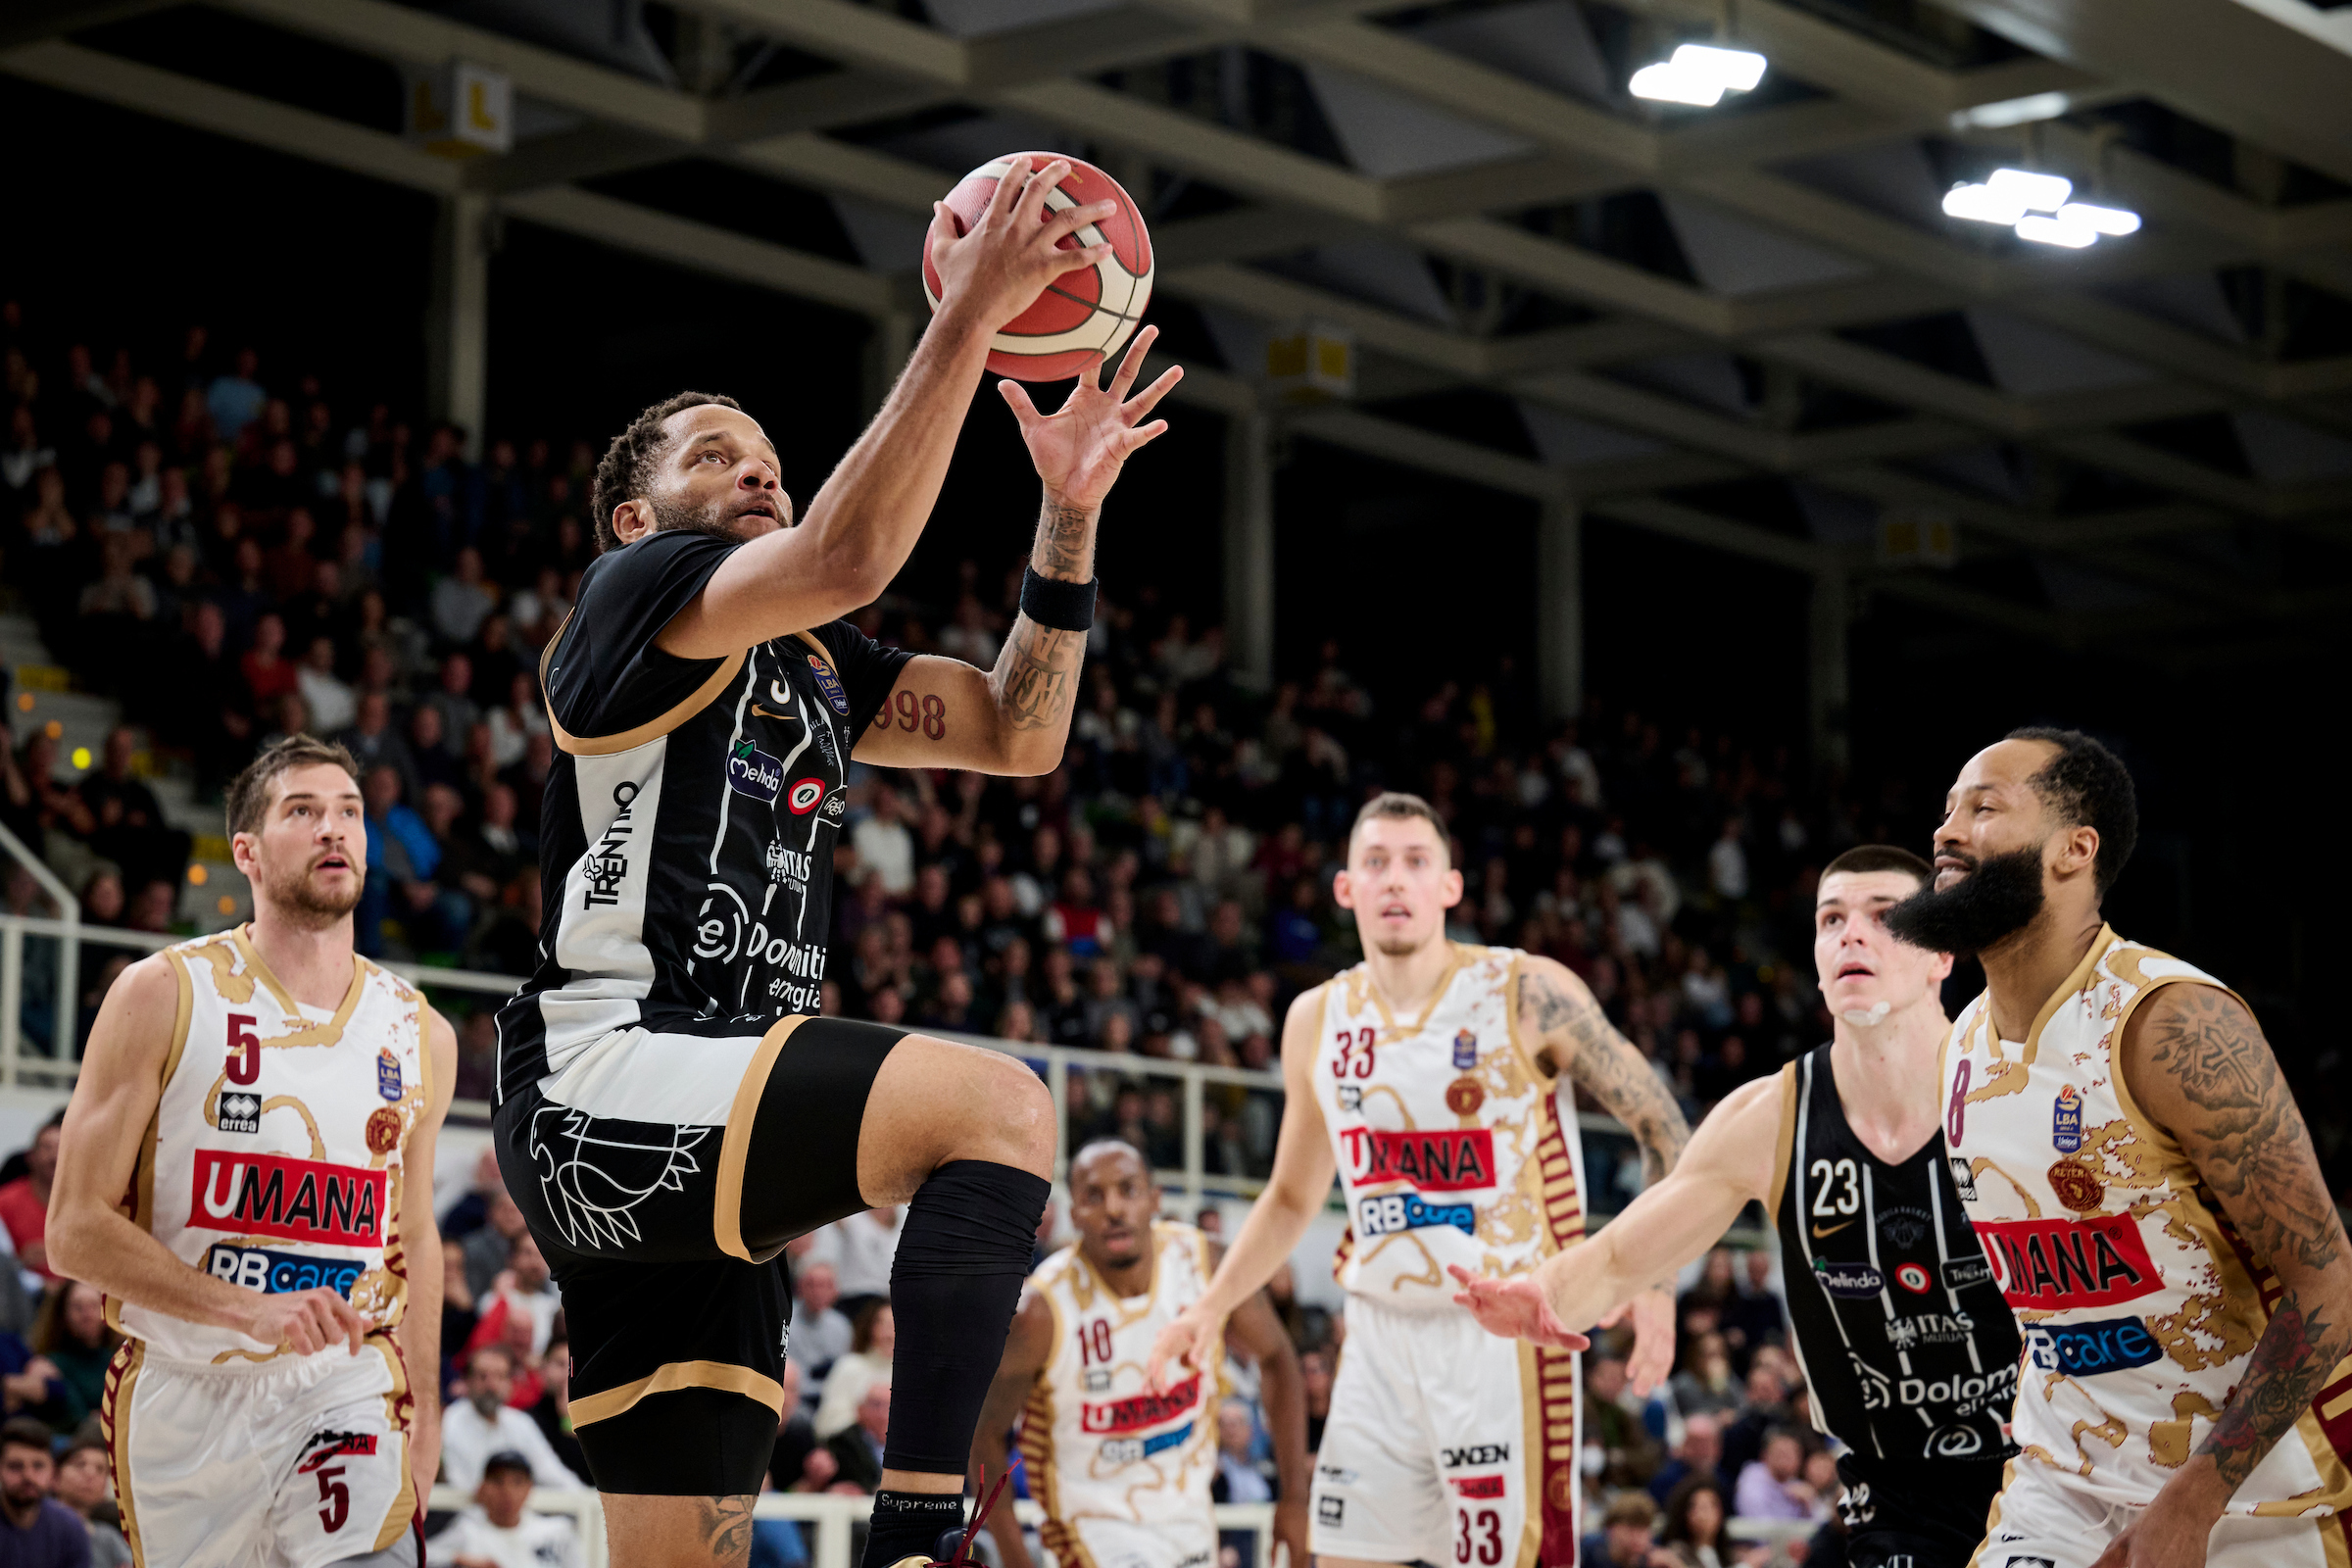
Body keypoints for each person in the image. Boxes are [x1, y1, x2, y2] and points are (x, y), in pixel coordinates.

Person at [488, 155, 1182, 1568]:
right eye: (715, 458)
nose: (757, 469)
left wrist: (1069, 516)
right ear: (638, 519)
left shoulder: (811, 661)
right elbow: (850, 547)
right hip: (608, 1069)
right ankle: (919, 1531)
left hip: (699, 1115)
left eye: (768, 458)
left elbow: (1015, 732)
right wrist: (970, 317)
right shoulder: (633, 596)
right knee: (998, 1109)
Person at [1148, 793, 1690, 1568]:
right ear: (1346, 888)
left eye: (1415, 862)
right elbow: (1294, 1197)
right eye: (1376, 863)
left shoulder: (1526, 990)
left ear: (1450, 887)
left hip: (1505, 1339)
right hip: (1376, 1339)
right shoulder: (1317, 1017)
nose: (1394, 879)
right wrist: (1211, 1305)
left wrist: (1657, 1279)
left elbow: (1663, 1126)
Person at [1454, 845, 2023, 1568]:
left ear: (1942, 954)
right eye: (1832, 919)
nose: (1852, 933)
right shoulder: (1769, 1119)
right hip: (1897, 1489)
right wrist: (1544, 1292)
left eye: (1885, 916)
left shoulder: (2012, 1092)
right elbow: (1625, 1254)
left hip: (2044, 1464)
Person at [1896, 729, 2352, 1568]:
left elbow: (2328, 1282)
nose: (1947, 830)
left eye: (1985, 806)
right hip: (2061, 1487)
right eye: (1948, 809)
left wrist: (2195, 1501)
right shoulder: (1959, 1048)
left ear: (2077, 849)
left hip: (2255, 1493)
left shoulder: (2170, 1023)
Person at [45, 736, 458, 1568]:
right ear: (247, 851)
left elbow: (415, 1238)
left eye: (348, 811)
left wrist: (429, 1411)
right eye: (302, 812)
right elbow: (73, 1230)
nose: (332, 829)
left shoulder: (419, 1031)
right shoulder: (162, 992)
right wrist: (247, 1308)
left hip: (347, 1383)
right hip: (184, 1395)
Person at [970, 1140, 1308, 1568]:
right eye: (1094, 1196)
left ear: (1154, 1198)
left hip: (1190, 1519)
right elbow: (982, 1434)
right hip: (1089, 1530)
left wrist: (1295, 1498)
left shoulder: (1206, 1264)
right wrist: (1017, 1558)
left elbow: (1278, 1356)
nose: (1113, 1208)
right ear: (1074, 1215)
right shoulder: (1042, 1311)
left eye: (1128, 1190)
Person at [441, 1345, 586, 1493]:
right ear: (468, 1381)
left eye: (500, 1376)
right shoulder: (452, 1421)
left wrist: (586, 1500)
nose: (491, 1385)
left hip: (524, 1513)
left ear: (510, 1383)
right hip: (468, 1513)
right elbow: (459, 1484)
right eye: (482, 1376)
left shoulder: (520, 1422)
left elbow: (553, 1474)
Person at [426, 1450, 583, 1568]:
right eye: (498, 1481)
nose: (507, 1491)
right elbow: (422, 1556)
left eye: (517, 1482)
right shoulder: (467, 1530)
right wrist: (456, 1560)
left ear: (529, 1488)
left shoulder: (557, 1532)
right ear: (483, 1488)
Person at [0, 1418, 88, 1568]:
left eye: (38, 1466)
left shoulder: (69, 1527)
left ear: (53, 1471)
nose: (28, 1476)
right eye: (15, 1466)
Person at [51, 1439, 131, 1568]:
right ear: (55, 1477)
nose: (90, 1474)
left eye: (100, 1469)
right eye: (80, 1464)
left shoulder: (108, 1537)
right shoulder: (34, 1526)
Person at [0, 1113, 60, 1281]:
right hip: (20, 1295)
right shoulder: (5, 1202)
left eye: (62, 1149)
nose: (54, 1157)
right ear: (30, 1157)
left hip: (73, 1296)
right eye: (47, 1148)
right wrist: (19, 1263)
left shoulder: (86, 1206)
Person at [1654, 1475, 1729, 1568]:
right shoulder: (1676, 1553)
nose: (1704, 1516)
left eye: (1710, 1506)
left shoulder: (1729, 1554)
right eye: (1699, 1508)